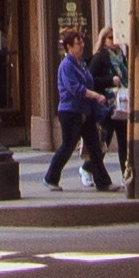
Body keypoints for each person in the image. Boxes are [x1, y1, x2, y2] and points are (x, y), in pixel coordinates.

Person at [45, 32, 113, 192]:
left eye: (82, 42)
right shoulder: (66, 65)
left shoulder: (81, 63)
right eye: (78, 43)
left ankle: (103, 182)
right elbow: (76, 88)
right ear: (69, 47)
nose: (82, 46)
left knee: (94, 146)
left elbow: (89, 81)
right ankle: (50, 177)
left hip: (85, 110)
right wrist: (95, 95)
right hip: (70, 111)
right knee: (68, 145)